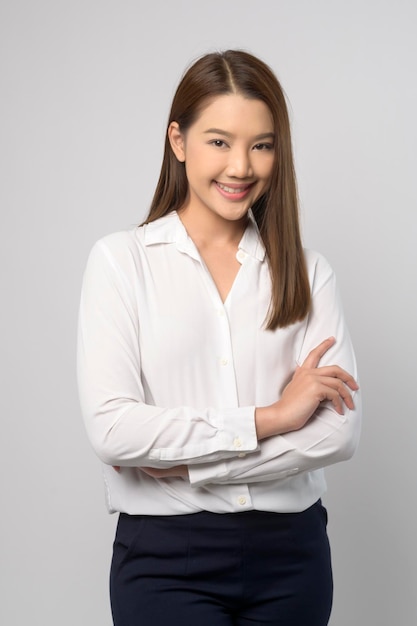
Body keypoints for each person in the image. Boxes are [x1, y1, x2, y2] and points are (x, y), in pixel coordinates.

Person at [77, 49, 361, 626]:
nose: (241, 167)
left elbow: (339, 433)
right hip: (165, 559)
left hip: (292, 556)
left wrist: (191, 467)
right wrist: (272, 418)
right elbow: (113, 430)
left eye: (261, 144)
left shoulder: (308, 273)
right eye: (219, 141)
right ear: (177, 141)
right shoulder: (121, 263)